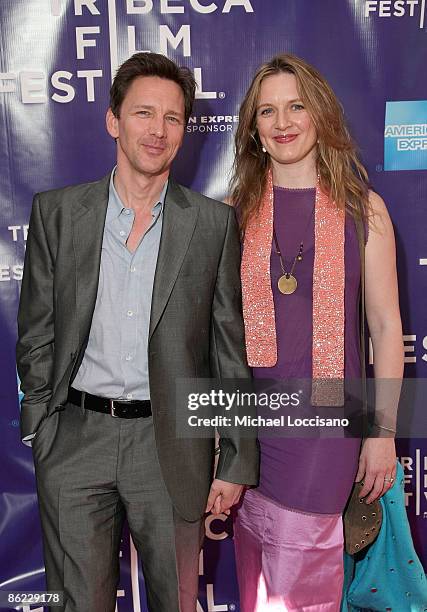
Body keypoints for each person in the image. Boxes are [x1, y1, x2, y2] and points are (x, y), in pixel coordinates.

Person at [16, 52, 259, 612]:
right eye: (144, 113)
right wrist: (41, 427)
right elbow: (36, 330)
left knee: (176, 601)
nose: (158, 130)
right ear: (113, 120)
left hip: (170, 446)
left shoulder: (212, 224)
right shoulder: (58, 213)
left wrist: (236, 459)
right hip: (75, 439)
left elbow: (229, 349)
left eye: (173, 118)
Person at [230, 54, 403, 611]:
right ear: (254, 129)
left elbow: (384, 326)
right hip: (250, 428)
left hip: (328, 422)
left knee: (299, 580)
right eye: (268, 111)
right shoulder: (232, 213)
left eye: (296, 105)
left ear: (320, 113)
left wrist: (381, 434)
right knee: (257, 575)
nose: (283, 122)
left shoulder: (364, 210)